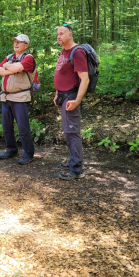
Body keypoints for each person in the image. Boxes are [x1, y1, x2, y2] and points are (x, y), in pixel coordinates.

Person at [54, 24, 89, 180]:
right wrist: (57, 93)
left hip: (71, 96)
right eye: (57, 34)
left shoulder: (78, 52)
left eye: (62, 33)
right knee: (68, 132)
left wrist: (77, 100)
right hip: (63, 95)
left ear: (70, 34)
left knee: (72, 132)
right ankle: (73, 161)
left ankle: (76, 169)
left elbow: (84, 79)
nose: (59, 36)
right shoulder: (64, 51)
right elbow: (61, 74)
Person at [0, 34, 36, 165]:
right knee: (6, 126)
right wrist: (11, 68)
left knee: (23, 126)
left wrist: (8, 67)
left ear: (26, 45)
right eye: (15, 41)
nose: (16, 44)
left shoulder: (28, 58)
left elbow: (18, 68)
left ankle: (28, 153)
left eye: (20, 42)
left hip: (20, 97)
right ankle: (12, 149)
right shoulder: (9, 57)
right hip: (6, 96)